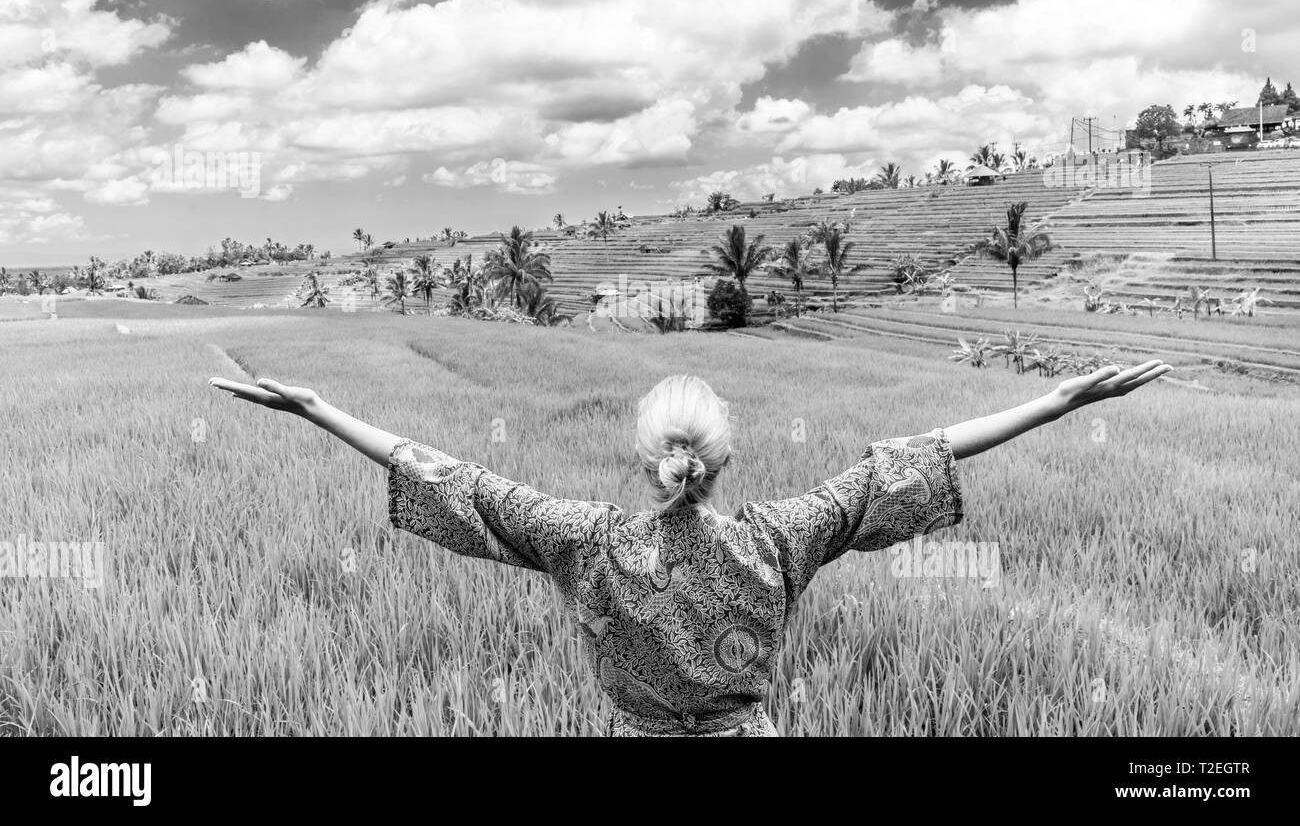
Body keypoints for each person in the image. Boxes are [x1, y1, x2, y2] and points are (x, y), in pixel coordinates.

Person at [209, 359, 1171, 736]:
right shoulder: (779, 539)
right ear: (723, 461)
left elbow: (453, 477)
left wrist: (319, 409)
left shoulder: (586, 542)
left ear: (647, 460)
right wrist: (1058, 402)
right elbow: (910, 462)